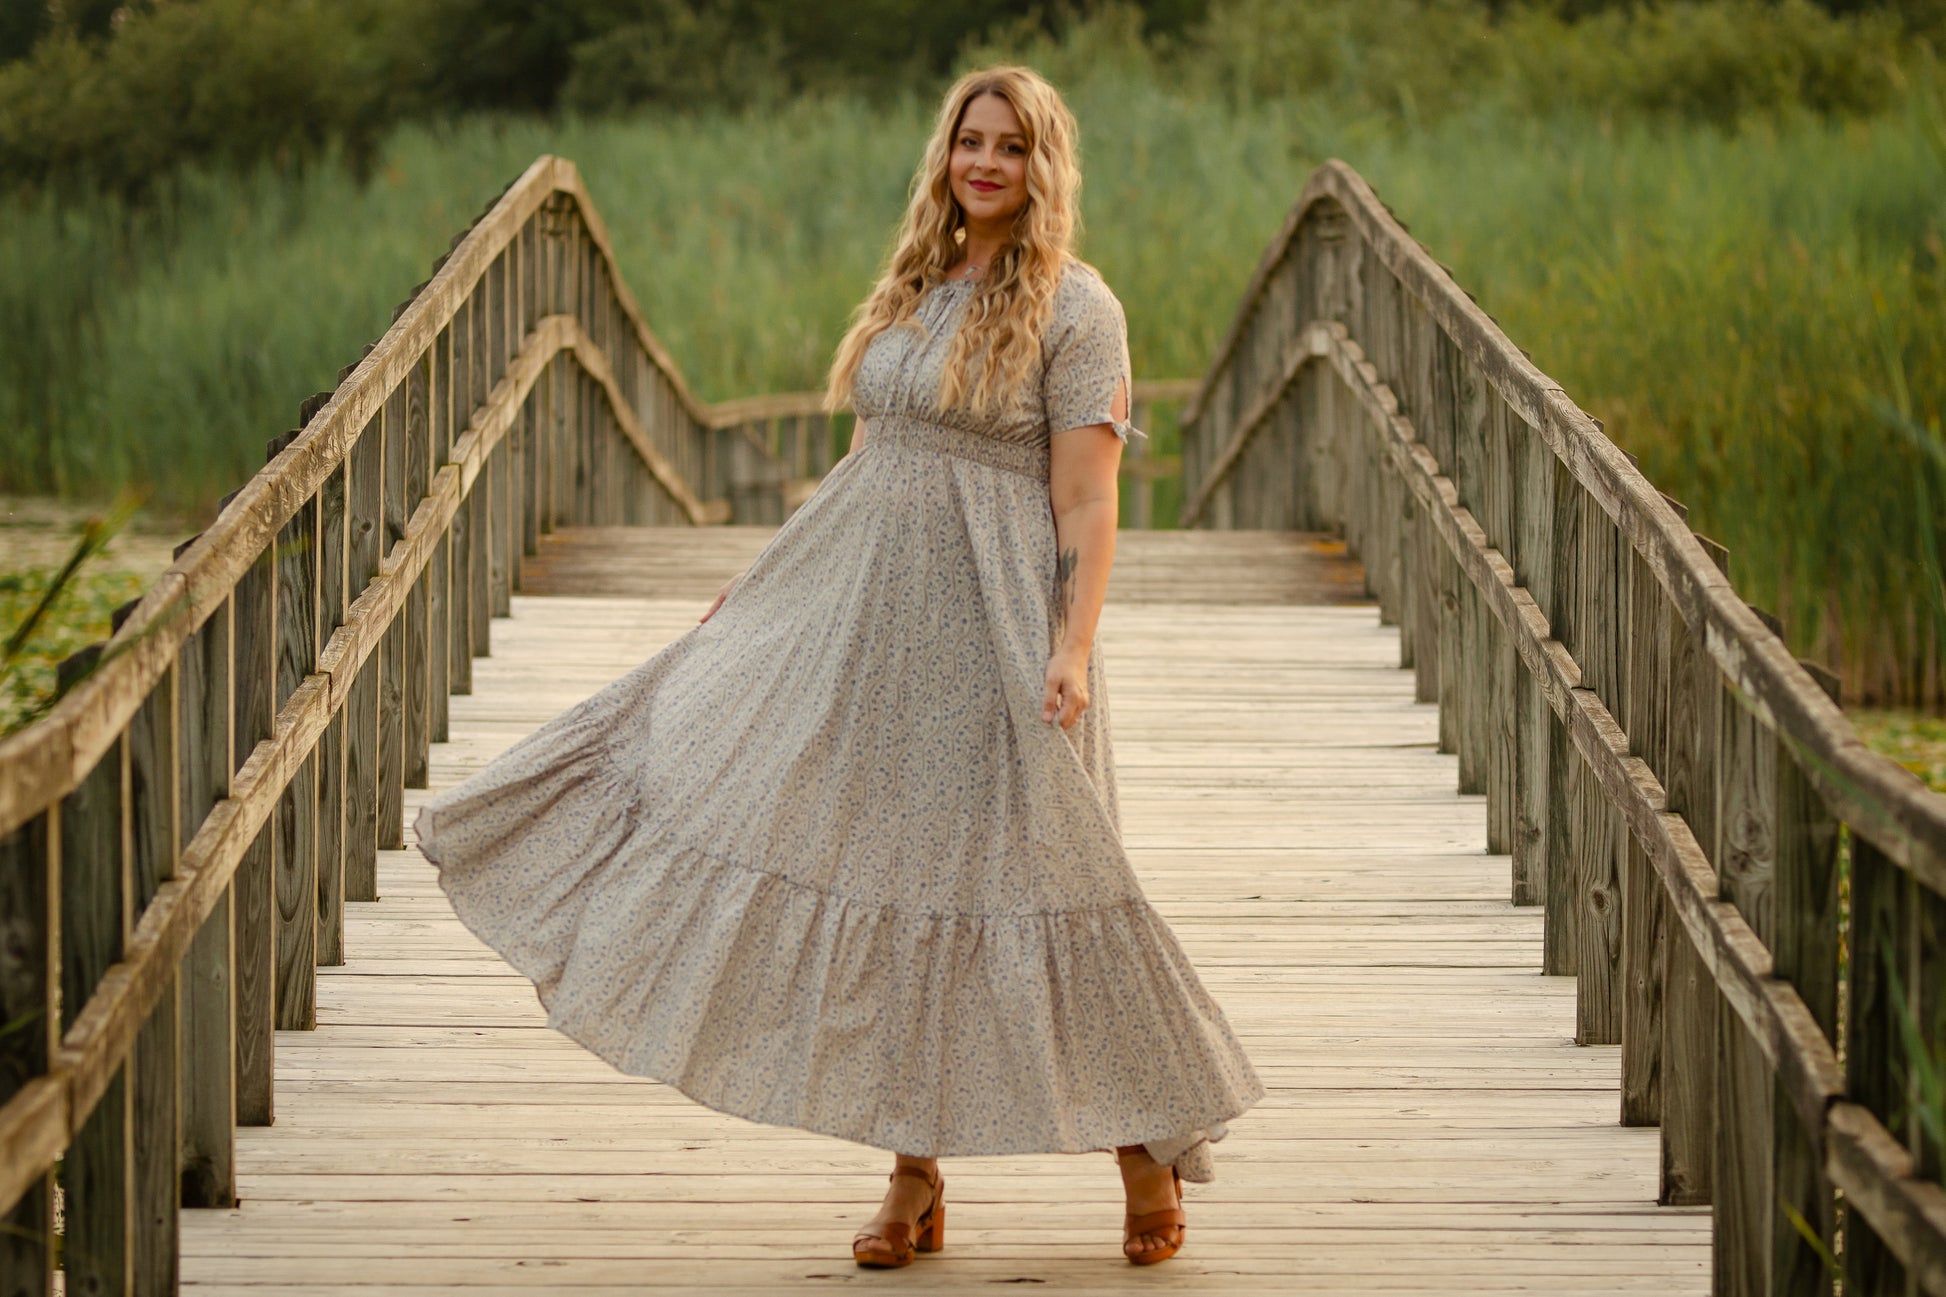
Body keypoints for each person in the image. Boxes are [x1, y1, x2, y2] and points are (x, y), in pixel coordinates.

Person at [413, 62, 1261, 1270]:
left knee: (1046, 869)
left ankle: (1139, 1141)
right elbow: (865, 464)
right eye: (970, 140)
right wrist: (763, 587)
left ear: (1043, 167)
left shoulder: (1080, 308)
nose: (984, 163)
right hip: (869, 630)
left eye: (1010, 147)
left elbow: (1085, 497)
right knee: (889, 873)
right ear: (945, 155)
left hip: (998, 627)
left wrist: (1071, 644)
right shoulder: (913, 288)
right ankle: (912, 1173)